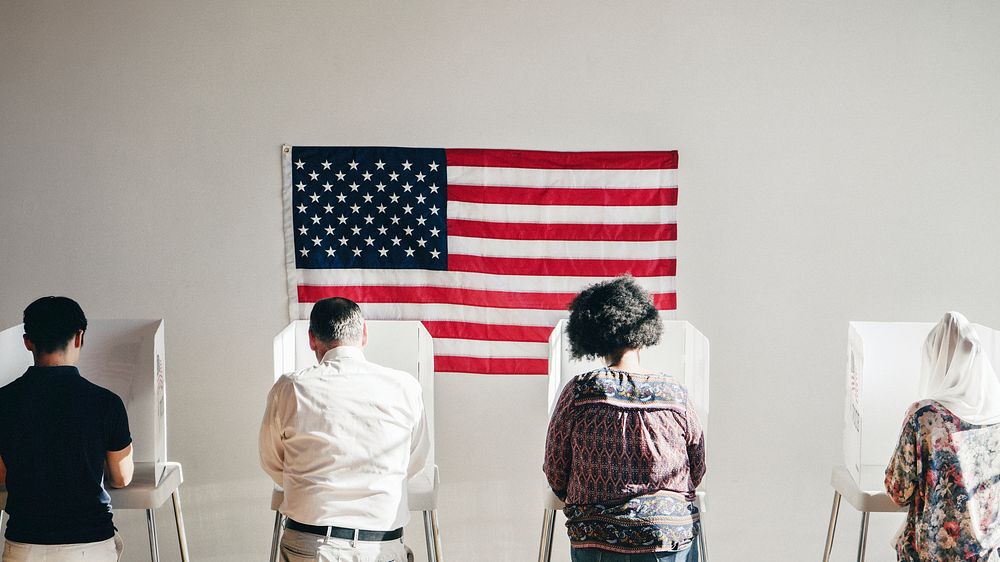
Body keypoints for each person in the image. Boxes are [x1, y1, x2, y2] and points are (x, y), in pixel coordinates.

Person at [543, 276, 706, 562]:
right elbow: (697, 466)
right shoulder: (675, 392)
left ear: (593, 336)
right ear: (644, 331)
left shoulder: (580, 391)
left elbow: (555, 467)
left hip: (595, 536)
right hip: (666, 535)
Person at [259, 297, 429, 562]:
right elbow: (414, 460)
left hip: (311, 545)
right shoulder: (405, 387)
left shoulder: (291, 388)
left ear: (312, 339)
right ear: (364, 334)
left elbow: (271, 461)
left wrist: (304, 481)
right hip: (382, 547)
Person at [0, 297, 133, 562]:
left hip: (25, 545)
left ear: (27, 341)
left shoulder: (3, 401)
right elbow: (121, 477)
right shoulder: (107, 402)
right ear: (79, 337)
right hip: (91, 544)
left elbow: (2, 476)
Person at [886, 311, 1000, 561]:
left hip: (931, 553)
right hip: (988, 554)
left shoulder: (925, 416)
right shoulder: (996, 417)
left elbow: (898, 491)